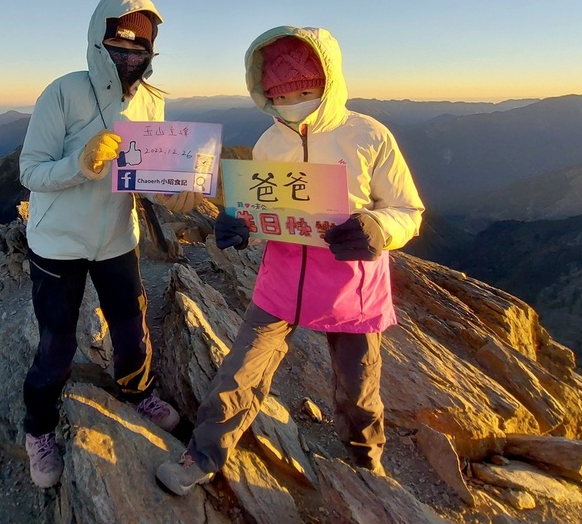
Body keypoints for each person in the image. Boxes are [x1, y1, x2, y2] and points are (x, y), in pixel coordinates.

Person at [156, 26, 424, 494]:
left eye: (305, 89)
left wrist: (379, 229)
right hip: (281, 280)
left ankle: (366, 462)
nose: (293, 101)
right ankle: (202, 453)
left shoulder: (369, 136)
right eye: (281, 93)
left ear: (328, 83)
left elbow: (408, 210)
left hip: (351, 287)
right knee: (239, 372)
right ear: (265, 93)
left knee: (358, 389)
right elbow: (269, 216)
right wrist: (240, 228)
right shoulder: (268, 144)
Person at [19, 0, 194, 489]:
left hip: (117, 235)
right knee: (56, 342)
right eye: (117, 46)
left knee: (131, 323)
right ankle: (39, 428)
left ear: (152, 52)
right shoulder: (63, 92)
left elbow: (151, 174)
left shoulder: (154, 102)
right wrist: (80, 163)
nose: (127, 58)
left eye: (139, 50)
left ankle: (139, 394)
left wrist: (175, 194)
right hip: (58, 240)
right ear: (98, 42)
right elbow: (30, 169)